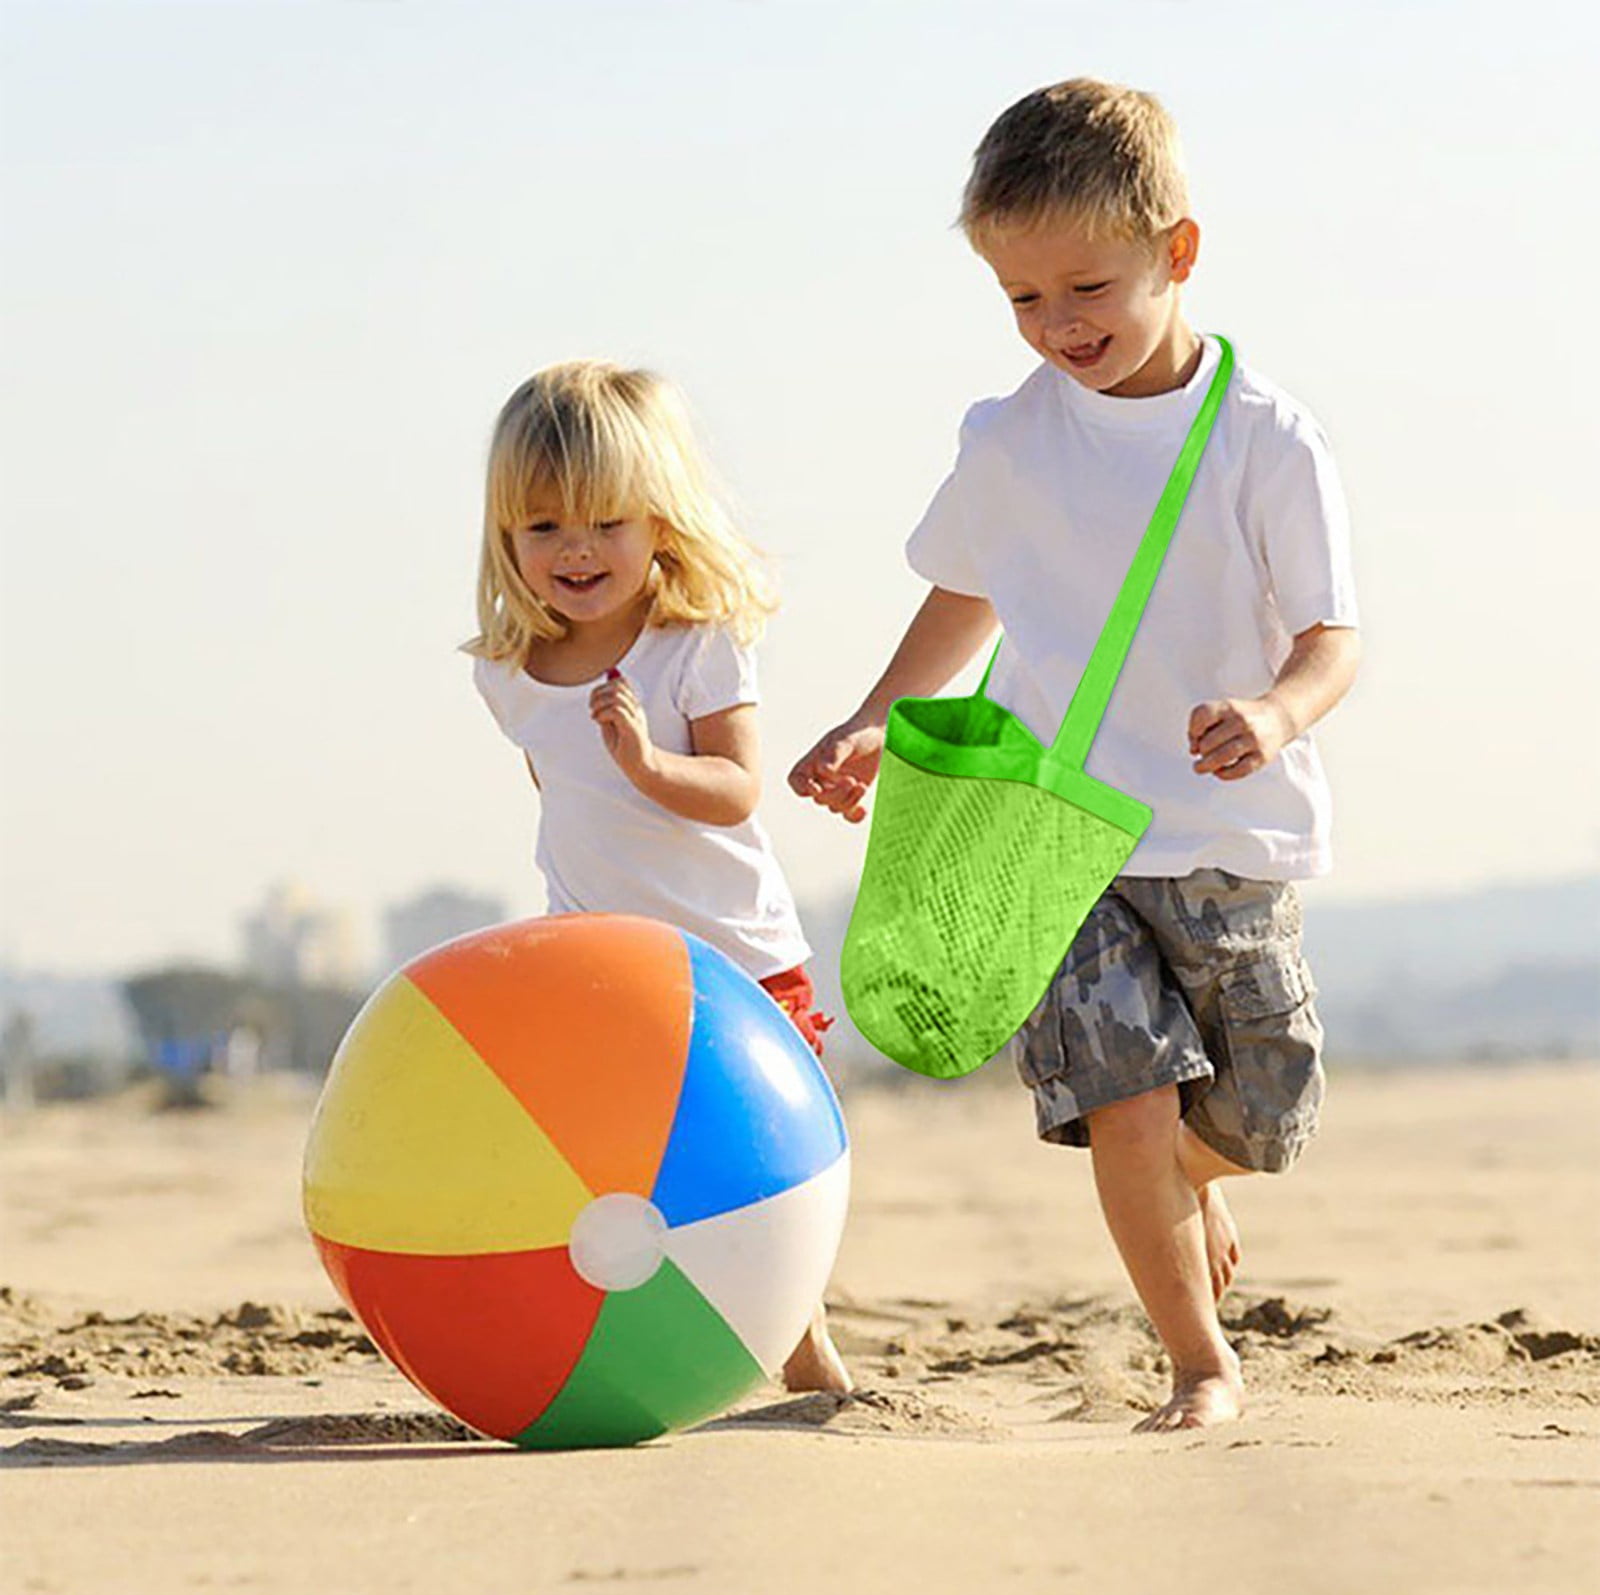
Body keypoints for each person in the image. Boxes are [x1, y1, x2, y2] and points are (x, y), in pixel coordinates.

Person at [789, 79, 1361, 1430]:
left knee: (1267, 1110)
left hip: (1223, 832)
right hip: (1052, 835)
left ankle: (1183, 1182)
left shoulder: (1266, 440)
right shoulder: (1012, 439)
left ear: (1178, 251)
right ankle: (1200, 1361)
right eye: (1022, 299)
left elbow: (1332, 637)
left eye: (1088, 288)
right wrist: (873, 713)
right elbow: (965, 591)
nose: (1058, 326)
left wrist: (1275, 714)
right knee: (1127, 1099)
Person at [466, 358, 850, 1394]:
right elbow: (563, 799)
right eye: (544, 526)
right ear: (506, 536)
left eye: (607, 522)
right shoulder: (507, 674)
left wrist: (643, 762)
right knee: (618, 1167)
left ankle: (802, 1339)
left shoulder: (692, 646)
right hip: (604, 966)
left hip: (735, 956)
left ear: (660, 523)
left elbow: (734, 788)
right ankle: (627, 1341)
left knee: (758, 1160)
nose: (576, 550)